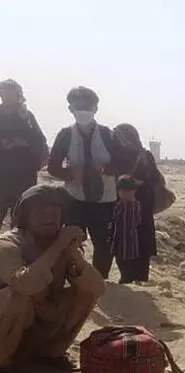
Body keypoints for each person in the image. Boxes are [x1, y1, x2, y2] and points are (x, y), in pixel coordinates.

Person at [0, 185, 105, 370]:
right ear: (25, 216)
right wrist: (57, 246)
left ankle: (49, 354)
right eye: (41, 212)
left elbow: (98, 288)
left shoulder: (63, 243)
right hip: (11, 316)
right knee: (17, 297)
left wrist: (75, 255)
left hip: (39, 318)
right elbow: (25, 285)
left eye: (54, 212)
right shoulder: (8, 243)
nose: (49, 217)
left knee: (85, 292)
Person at [47, 86, 137, 279]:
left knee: (103, 244)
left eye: (87, 107)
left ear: (96, 109)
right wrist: (70, 173)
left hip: (105, 200)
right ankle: (73, 279)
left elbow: (129, 161)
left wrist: (105, 167)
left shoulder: (108, 134)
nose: (83, 111)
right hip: (74, 198)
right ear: (70, 109)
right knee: (71, 242)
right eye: (78, 107)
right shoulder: (65, 135)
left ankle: (99, 279)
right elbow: (52, 166)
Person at [113, 123, 166, 283]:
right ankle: (132, 278)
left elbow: (156, 178)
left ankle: (135, 278)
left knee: (135, 242)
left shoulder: (140, 155)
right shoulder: (120, 155)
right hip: (133, 207)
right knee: (128, 242)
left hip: (136, 205)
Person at [0, 79, 48, 227]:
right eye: (4, 92)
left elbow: (40, 141)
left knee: (22, 218)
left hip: (23, 174)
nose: (7, 95)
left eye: (10, 92)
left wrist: (22, 143)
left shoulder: (26, 117)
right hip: (2, 174)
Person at [112, 176, 144, 284]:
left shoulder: (122, 205)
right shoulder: (137, 204)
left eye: (127, 191)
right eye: (122, 191)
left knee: (124, 261)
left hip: (123, 238)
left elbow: (114, 218)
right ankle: (127, 278)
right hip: (128, 238)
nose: (124, 193)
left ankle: (126, 279)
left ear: (134, 191)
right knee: (125, 260)